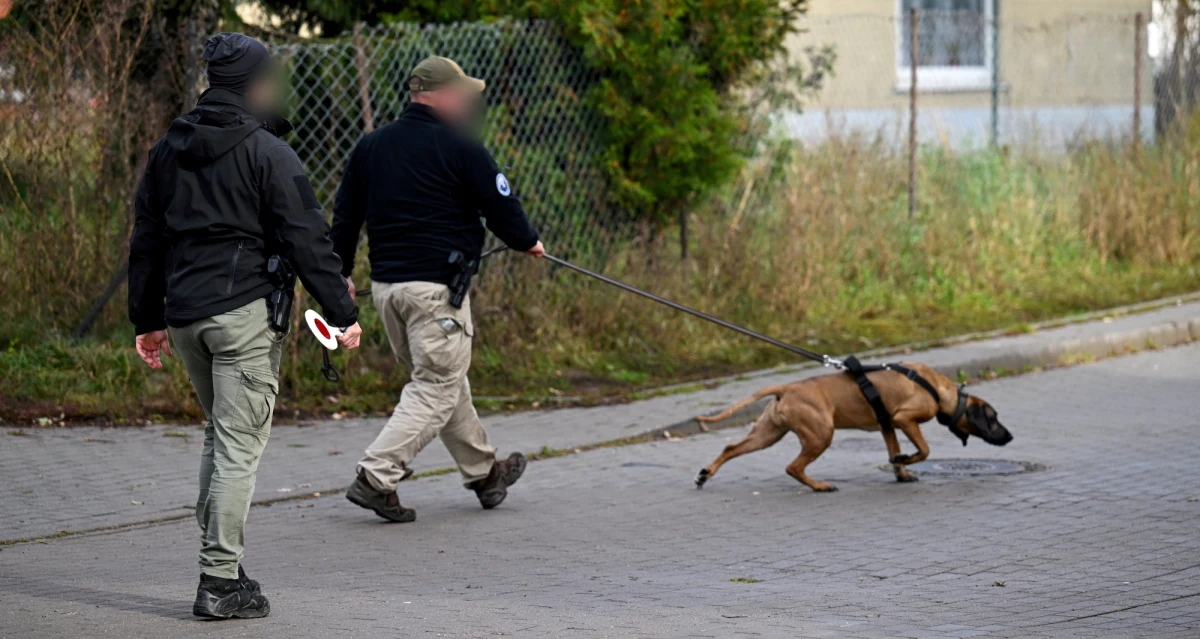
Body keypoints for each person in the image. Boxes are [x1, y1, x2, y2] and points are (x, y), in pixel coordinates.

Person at [127, 33, 362, 619]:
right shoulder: (269, 152)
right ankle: (218, 580)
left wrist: (147, 319)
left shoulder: (167, 149)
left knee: (220, 434)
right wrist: (343, 313)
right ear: (255, 84)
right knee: (238, 446)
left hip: (185, 316)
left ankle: (224, 565)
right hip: (242, 316)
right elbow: (308, 238)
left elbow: (147, 238)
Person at [331, 56, 545, 523]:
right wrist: (527, 242)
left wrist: (340, 274)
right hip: (436, 294)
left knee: (445, 383)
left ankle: (487, 474)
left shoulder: (371, 147)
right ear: (442, 95)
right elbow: (501, 206)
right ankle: (376, 476)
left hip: (388, 292)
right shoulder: (461, 147)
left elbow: (346, 217)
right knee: (436, 385)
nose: (468, 102)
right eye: (463, 93)